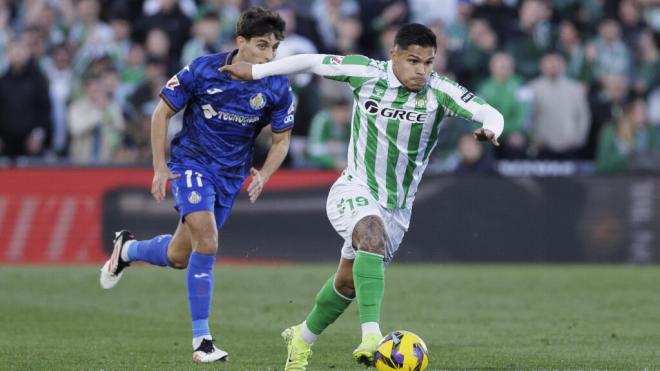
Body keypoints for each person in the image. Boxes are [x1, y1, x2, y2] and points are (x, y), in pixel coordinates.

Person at [221, 22, 503, 370]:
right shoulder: (366, 73)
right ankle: (372, 335)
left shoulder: (440, 92)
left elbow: (489, 111)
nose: (422, 70)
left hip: (398, 208)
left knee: (347, 283)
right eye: (414, 61)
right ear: (394, 55)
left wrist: (492, 128)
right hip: (354, 187)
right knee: (370, 232)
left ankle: (302, 337)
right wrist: (256, 70)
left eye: (429, 63)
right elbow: (311, 61)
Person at [99, 7, 295, 363]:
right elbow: (161, 112)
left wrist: (264, 173)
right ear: (241, 42)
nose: (269, 55)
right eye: (262, 46)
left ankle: (126, 250)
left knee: (179, 256)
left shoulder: (277, 84)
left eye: (274, 49)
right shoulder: (204, 68)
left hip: (230, 176)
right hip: (191, 164)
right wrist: (160, 167)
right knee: (208, 240)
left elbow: (282, 140)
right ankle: (202, 341)